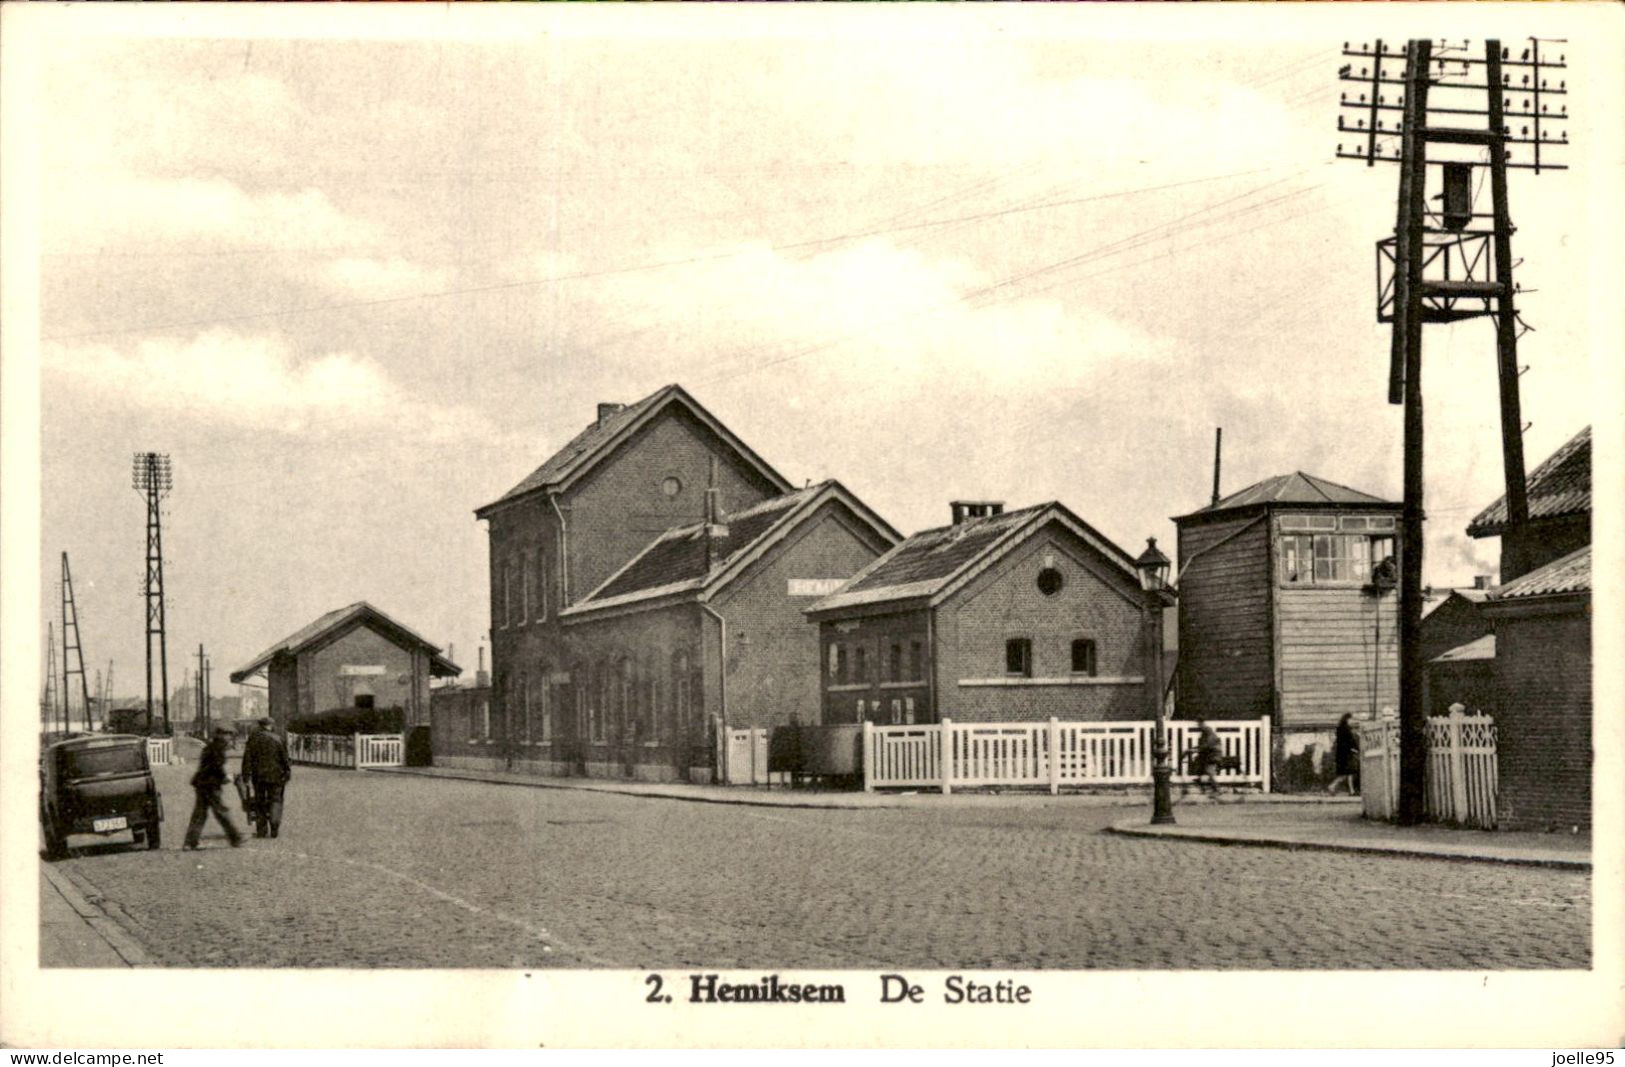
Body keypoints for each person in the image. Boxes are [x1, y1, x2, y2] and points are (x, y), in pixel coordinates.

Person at [184, 726, 243, 850]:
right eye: (228, 735)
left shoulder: (210, 747)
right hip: (211, 785)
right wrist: (228, 778)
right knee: (221, 812)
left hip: (201, 784)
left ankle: (190, 842)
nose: (230, 738)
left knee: (199, 814)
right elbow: (217, 767)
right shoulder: (218, 748)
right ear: (221, 735)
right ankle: (235, 838)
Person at [240, 717, 292, 838]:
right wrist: (287, 772)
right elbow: (285, 759)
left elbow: (247, 758)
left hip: (259, 776)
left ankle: (261, 830)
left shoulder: (253, 739)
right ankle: (274, 826)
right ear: (271, 725)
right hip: (276, 776)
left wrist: (246, 775)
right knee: (276, 800)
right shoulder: (278, 739)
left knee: (260, 802)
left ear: (260, 726)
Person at [1185, 718, 1223, 798]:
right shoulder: (1205, 732)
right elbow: (1202, 745)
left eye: (1199, 724)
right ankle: (1202, 783)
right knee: (1199, 764)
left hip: (1213, 755)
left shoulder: (1208, 732)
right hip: (1209, 755)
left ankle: (1217, 790)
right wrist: (1192, 749)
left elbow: (1206, 745)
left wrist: (1193, 750)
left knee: (1209, 771)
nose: (1198, 726)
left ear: (1202, 723)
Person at [1328, 713, 1360, 795]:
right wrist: (1356, 749)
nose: (1352, 721)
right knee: (1347, 773)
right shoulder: (1346, 729)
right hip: (1346, 754)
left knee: (1347, 773)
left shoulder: (1341, 729)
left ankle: (1350, 790)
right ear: (1347, 719)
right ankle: (1333, 786)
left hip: (1342, 754)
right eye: (1351, 719)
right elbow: (1350, 741)